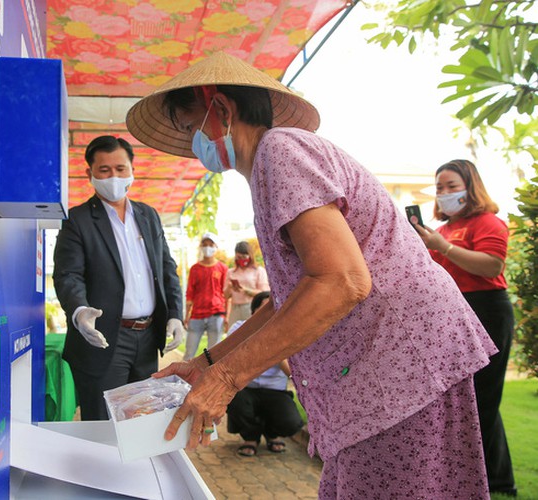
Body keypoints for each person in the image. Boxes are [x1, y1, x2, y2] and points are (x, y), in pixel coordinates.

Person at [125, 51, 496, 497]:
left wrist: (227, 379)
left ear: (221, 110)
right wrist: (207, 363)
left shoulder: (280, 151)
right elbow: (293, 294)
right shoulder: (269, 168)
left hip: (402, 363)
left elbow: (342, 281)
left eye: (190, 128)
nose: (192, 145)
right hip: (388, 364)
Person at [52, 135, 185, 421]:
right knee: (104, 425)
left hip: (148, 338)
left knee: (144, 420)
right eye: (104, 170)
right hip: (104, 340)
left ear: (131, 170)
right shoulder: (78, 220)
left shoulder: (148, 215)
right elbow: (67, 275)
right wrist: (79, 310)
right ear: (90, 174)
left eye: (121, 169)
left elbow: (166, 268)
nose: (114, 176)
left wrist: (175, 313)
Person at [413, 159, 516, 496]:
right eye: (439, 187)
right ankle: (498, 481)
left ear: (471, 188)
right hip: (453, 313)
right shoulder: (440, 230)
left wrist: (442, 248)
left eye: (452, 186)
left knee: (483, 398)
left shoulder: (488, 222)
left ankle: (478, 482)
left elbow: (492, 265)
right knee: (468, 400)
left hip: (486, 309)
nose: (444, 193)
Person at [226, 291, 303, 457]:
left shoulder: (289, 334)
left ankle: (271, 433)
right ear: (253, 313)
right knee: (235, 400)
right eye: (264, 311)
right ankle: (250, 437)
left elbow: (292, 373)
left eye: (276, 311)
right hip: (245, 388)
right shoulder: (239, 328)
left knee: (292, 423)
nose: (270, 316)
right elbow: (230, 361)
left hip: (275, 391)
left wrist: (276, 350)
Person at [183, 232, 228, 360]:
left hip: (216, 314)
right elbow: (190, 293)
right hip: (197, 315)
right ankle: (183, 379)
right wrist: (187, 316)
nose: (208, 247)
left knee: (214, 355)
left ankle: (211, 379)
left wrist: (226, 316)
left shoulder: (222, 268)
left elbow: (226, 294)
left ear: (216, 246)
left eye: (211, 244)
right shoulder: (195, 269)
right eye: (205, 244)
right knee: (189, 352)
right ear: (201, 247)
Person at [225, 240, 269, 325]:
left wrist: (245, 290)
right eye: (238, 257)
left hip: (250, 306)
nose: (241, 260)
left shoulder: (258, 271)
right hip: (235, 308)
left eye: (243, 257)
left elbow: (264, 294)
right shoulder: (231, 272)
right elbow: (226, 296)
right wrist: (230, 287)